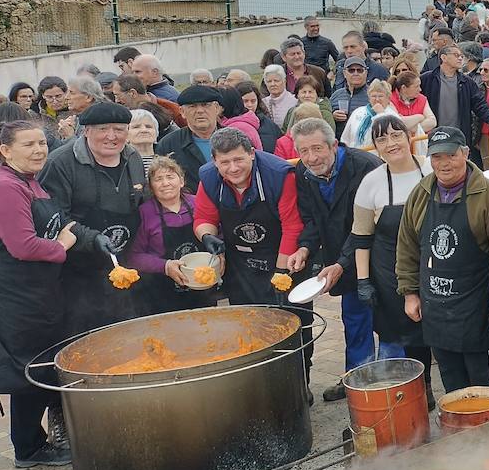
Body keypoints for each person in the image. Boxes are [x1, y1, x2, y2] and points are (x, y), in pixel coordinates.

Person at [395, 126, 489, 392]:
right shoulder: (421, 193)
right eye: (436, 157)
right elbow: (407, 247)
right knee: (451, 379)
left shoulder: (488, 195)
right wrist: (410, 293)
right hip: (435, 307)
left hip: (477, 308)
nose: (443, 163)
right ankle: (460, 431)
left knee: (484, 382)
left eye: (450, 155)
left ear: (465, 153)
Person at [0, 119, 78, 467]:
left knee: (39, 364)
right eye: (28, 144)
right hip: (17, 294)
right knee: (28, 369)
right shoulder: (6, 186)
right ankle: (29, 449)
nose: (38, 150)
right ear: (5, 150)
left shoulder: (29, 182)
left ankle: (34, 443)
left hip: (40, 291)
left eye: (42, 144)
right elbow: (22, 245)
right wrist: (62, 246)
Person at [38, 100, 148, 334]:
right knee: (85, 333)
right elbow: (53, 216)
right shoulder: (60, 163)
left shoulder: (133, 157)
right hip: (77, 269)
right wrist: (91, 238)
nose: (111, 136)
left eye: (119, 129)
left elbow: (141, 202)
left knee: (129, 329)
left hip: (123, 262)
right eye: (102, 129)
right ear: (86, 131)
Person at [292, 117, 381, 394]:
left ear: (334, 145)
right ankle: (357, 380)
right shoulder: (303, 174)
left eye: (317, 149)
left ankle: (394, 384)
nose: (311, 157)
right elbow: (311, 219)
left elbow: (369, 224)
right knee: (353, 319)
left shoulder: (365, 167)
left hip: (378, 255)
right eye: (303, 151)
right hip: (341, 260)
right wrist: (304, 247)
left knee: (391, 322)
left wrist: (341, 263)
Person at [350, 114, 434, 402]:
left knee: (441, 331)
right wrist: (363, 280)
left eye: (396, 135)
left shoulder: (432, 170)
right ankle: (423, 391)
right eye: (381, 139)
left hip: (436, 263)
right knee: (409, 336)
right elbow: (361, 237)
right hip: (391, 271)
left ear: (409, 137)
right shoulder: (370, 183)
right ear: (375, 147)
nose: (390, 143)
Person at [193, 127, 303, 307]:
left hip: (281, 254)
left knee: (291, 318)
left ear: (251, 153)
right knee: (247, 318)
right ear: (214, 161)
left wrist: (281, 273)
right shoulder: (209, 178)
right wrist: (207, 236)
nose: (233, 168)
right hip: (240, 262)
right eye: (225, 162)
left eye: (238, 159)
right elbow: (203, 218)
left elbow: (292, 227)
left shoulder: (279, 175)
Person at [126, 155, 218, 316]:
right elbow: (133, 256)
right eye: (158, 179)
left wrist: (219, 258)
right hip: (162, 294)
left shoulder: (198, 203)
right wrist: (165, 266)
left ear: (181, 181)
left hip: (202, 287)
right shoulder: (144, 213)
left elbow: (218, 236)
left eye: (170, 176)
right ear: (151, 187)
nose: (165, 183)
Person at [420, 44, 489, 163]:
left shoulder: (466, 82)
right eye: (456, 55)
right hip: (433, 136)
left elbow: (480, 105)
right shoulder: (426, 79)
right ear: (443, 57)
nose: (460, 58)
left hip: (459, 136)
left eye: (461, 56)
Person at [155, 84, 221, 195]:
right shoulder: (168, 144)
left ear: (217, 108)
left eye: (206, 105)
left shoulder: (235, 139)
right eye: (192, 106)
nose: (200, 111)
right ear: (182, 111)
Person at [340, 79, 396, 150]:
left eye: (381, 96)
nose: (377, 99)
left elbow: (388, 135)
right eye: (374, 96)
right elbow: (345, 138)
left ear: (388, 99)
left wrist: (381, 114)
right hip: (354, 154)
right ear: (369, 98)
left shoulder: (392, 115)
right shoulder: (358, 111)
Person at [261, 65, 298, 129]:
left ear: (284, 81)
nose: (273, 84)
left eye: (276, 81)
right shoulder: (262, 103)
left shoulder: (294, 101)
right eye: (269, 81)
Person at [127, 109, 160, 174]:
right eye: (136, 127)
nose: (144, 130)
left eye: (148, 126)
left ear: (156, 133)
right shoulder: (119, 161)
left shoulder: (169, 158)